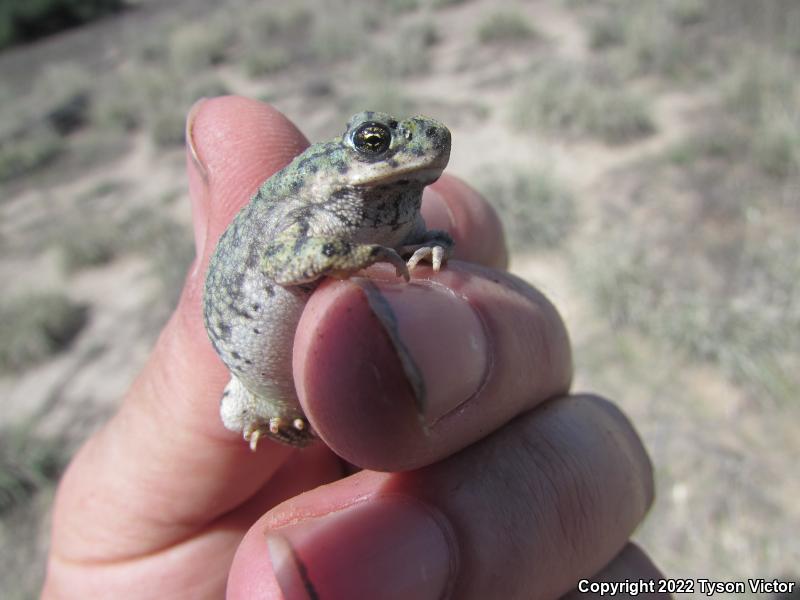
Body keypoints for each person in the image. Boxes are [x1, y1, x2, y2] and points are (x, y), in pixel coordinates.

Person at [41, 97, 668, 599]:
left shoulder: (397, 210)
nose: (409, 155)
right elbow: (288, 259)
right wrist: (357, 257)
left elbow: (427, 236)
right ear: (339, 164)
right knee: (238, 411)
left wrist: (436, 248)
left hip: (337, 415)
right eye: (376, 145)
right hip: (251, 382)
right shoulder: (307, 204)